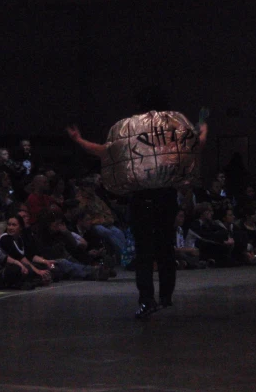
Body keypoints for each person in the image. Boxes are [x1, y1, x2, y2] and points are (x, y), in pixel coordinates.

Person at [66, 88, 207, 319]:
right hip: (164, 198)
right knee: (163, 249)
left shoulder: (129, 132)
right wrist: (204, 131)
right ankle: (164, 296)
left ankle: (147, 299)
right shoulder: (171, 130)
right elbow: (195, 147)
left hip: (143, 199)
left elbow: (105, 152)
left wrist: (79, 140)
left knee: (146, 252)